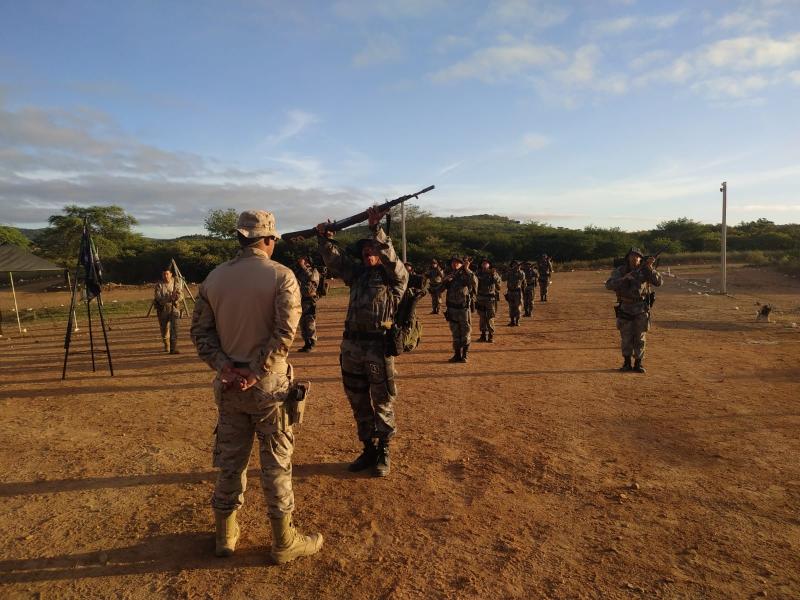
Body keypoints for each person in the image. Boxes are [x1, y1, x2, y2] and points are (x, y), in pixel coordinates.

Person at [190, 209, 322, 564]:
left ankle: (225, 535)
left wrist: (225, 367)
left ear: (239, 238)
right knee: (276, 463)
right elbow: (284, 333)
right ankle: (283, 542)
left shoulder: (214, 279)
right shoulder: (282, 277)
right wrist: (256, 371)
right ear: (268, 239)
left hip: (230, 385)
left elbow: (200, 333)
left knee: (230, 463)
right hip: (270, 387)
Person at [316, 207, 408, 477]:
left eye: (373, 248)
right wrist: (325, 238)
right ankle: (368, 448)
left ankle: (384, 450)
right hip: (351, 347)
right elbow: (335, 262)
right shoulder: (358, 275)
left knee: (381, 401)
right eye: (365, 249)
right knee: (357, 400)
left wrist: (375, 230)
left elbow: (392, 259)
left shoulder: (395, 277)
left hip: (378, 347)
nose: (369, 251)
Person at [605, 247, 663, 373]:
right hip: (625, 307)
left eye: (637, 256)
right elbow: (609, 285)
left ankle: (638, 364)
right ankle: (626, 363)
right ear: (627, 258)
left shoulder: (646, 270)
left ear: (641, 258)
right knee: (626, 337)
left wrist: (650, 268)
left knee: (640, 337)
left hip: (641, 308)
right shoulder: (621, 271)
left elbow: (659, 282)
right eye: (631, 256)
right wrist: (624, 278)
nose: (634, 258)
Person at [443, 255, 477, 362]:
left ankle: (465, 355)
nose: (455, 264)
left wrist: (467, 269)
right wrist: (445, 280)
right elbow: (439, 289)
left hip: (463, 309)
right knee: (455, 333)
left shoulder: (466, 275)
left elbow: (475, 283)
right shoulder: (450, 275)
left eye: (458, 262)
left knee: (465, 332)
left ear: (462, 264)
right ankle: (457, 354)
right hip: (452, 309)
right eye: (453, 262)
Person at [293, 256, 320, 352]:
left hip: (309, 299)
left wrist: (303, 267)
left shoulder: (314, 271)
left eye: (303, 260)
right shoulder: (299, 271)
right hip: (300, 299)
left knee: (309, 321)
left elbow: (312, 279)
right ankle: (306, 342)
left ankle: (312, 342)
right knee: (302, 322)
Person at [154, 269, 183, 354]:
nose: (165, 276)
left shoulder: (176, 283)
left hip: (174, 308)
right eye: (164, 274)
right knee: (164, 330)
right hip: (163, 309)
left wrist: (177, 297)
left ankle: (173, 348)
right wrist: (169, 298)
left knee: (174, 328)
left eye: (167, 274)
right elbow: (158, 298)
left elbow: (181, 295)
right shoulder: (159, 285)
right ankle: (167, 345)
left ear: (171, 274)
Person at [475, 258, 502, 343]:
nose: (485, 264)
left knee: (490, 317)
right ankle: (483, 335)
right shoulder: (477, 273)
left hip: (490, 299)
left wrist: (493, 275)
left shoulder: (493, 273)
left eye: (486, 263)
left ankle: (491, 335)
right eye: (483, 263)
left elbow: (499, 287)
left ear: (489, 265)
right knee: (482, 317)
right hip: (480, 298)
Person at [504, 260, 526, 327]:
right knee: (511, 307)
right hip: (510, 292)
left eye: (516, 264)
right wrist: (508, 271)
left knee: (518, 307)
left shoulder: (521, 272)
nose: (515, 266)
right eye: (513, 264)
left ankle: (517, 321)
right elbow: (503, 278)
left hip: (517, 292)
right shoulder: (509, 272)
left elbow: (522, 278)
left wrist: (518, 270)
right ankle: (512, 321)